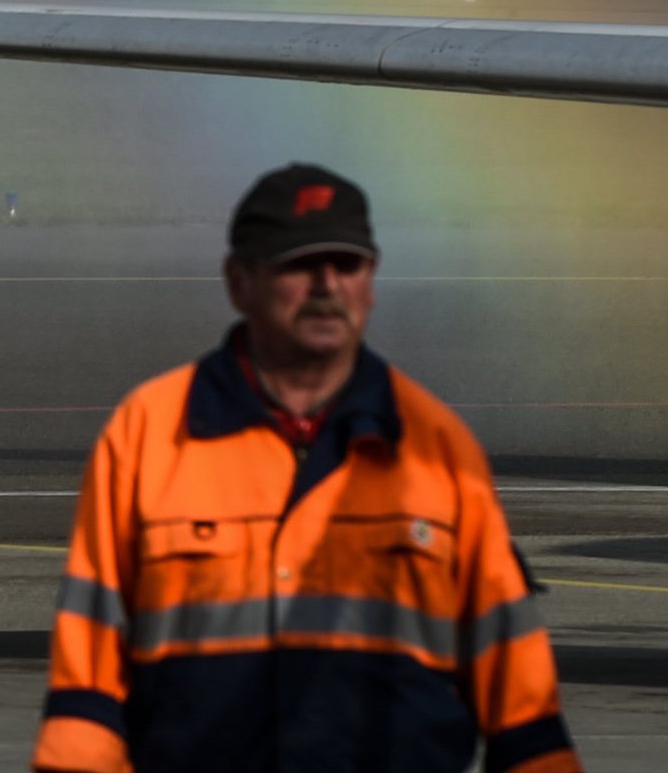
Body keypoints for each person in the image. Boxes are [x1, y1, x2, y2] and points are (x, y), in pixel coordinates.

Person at [33, 163, 581, 772]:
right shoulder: (147, 435)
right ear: (238, 282)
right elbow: (85, 696)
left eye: (346, 265)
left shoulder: (439, 449)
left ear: (371, 282)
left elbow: (524, 710)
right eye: (299, 264)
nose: (327, 285)